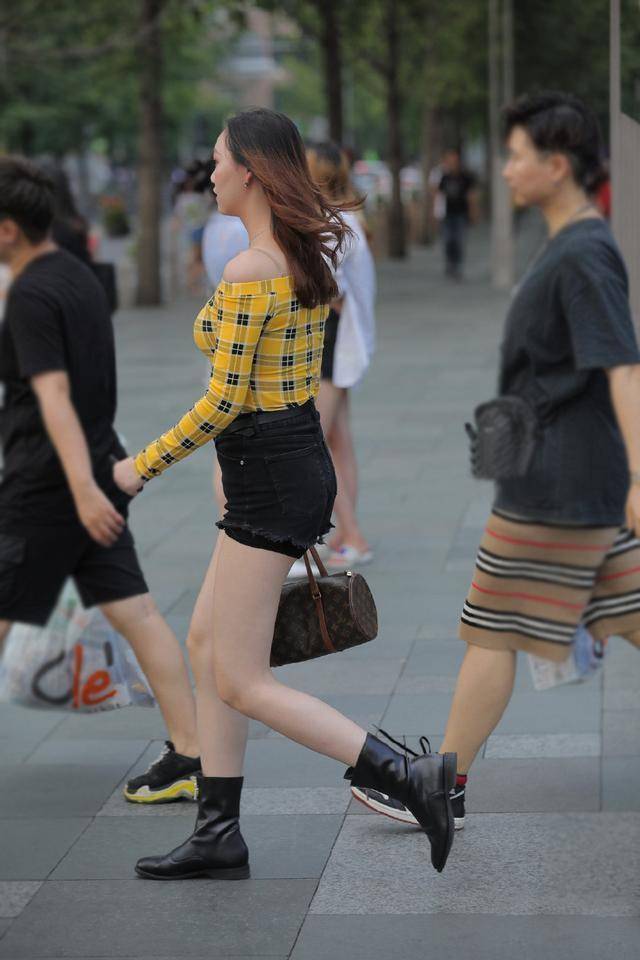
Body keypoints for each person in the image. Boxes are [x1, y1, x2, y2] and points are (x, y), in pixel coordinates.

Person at [113, 108, 457, 879]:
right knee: (207, 647)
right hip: (285, 460)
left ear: (251, 171)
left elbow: (223, 399)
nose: (209, 174)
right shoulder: (293, 255)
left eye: (218, 160)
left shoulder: (251, 268)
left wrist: (141, 466)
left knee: (240, 678)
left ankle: (408, 776)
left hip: (268, 470)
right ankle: (218, 832)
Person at [351, 91, 640, 830]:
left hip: (561, 484)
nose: (505, 169)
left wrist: (639, 477)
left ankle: (438, 787)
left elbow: (622, 368)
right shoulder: (571, 240)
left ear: (557, 164)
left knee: (492, 625)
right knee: (519, 623)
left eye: (515, 156)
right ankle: (441, 784)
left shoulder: (584, 252)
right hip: (563, 477)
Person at [0, 157, 201, 805]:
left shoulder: (30, 294)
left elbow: (53, 395)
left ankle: (191, 755)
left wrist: (82, 492)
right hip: (93, 469)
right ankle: (191, 755)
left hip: (49, 485)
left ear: (8, 229)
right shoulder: (77, 275)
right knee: (137, 611)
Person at [289, 142, 376, 576]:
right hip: (337, 338)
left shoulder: (336, 223)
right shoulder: (344, 218)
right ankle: (346, 535)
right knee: (336, 439)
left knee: (313, 441)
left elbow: (328, 286)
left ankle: (347, 536)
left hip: (331, 339)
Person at [436, 148, 478, 279]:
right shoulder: (444, 177)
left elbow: (471, 195)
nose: (452, 163)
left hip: (461, 214)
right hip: (447, 215)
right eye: (449, 160)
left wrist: (473, 212)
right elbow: (439, 194)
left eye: (454, 160)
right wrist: (436, 213)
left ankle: (457, 266)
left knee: (459, 241)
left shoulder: (465, 177)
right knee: (448, 240)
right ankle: (450, 264)